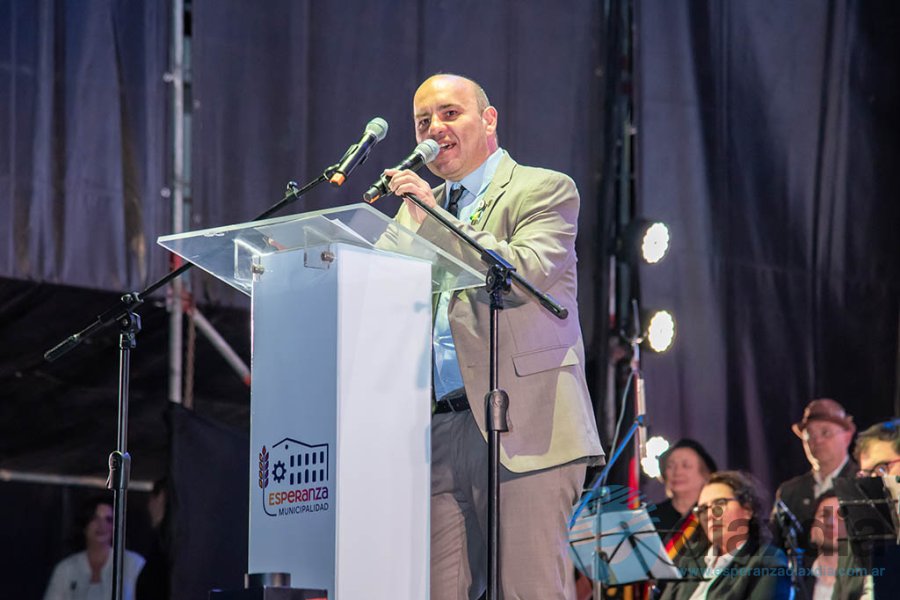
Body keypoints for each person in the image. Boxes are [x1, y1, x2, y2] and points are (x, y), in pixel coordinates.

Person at [387, 73, 604, 599]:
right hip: (437, 428)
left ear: (488, 120)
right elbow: (376, 286)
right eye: (422, 122)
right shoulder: (418, 210)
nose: (434, 129)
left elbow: (525, 274)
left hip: (524, 424)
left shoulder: (543, 188)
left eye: (449, 114)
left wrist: (433, 218)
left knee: (527, 591)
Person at [661, 471, 790, 600]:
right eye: (703, 509)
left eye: (720, 503)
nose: (710, 515)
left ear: (747, 510)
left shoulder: (767, 561)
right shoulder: (689, 564)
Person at [772, 399, 858, 563]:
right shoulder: (790, 491)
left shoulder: (861, 484)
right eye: (809, 435)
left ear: (847, 436)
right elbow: (776, 545)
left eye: (826, 433)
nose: (817, 441)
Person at [43, 495, 145, 600]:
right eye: (95, 518)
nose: (102, 525)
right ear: (84, 524)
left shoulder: (134, 564)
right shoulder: (65, 569)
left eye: (108, 520)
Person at [654, 439, 718, 539]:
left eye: (686, 466)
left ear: (705, 474)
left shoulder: (717, 515)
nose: (677, 472)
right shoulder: (650, 518)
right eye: (670, 466)